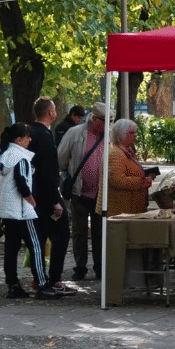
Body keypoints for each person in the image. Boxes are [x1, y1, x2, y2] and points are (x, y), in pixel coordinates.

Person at [0, 122, 62, 300]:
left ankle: (12, 283)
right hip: (23, 211)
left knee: (11, 248)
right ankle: (42, 283)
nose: (30, 140)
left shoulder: (3, 156)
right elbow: (23, 185)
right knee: (36, 245)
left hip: (7, 210)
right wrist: (33, 204)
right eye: (27, 137)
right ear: (19, 140)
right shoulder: (21, 157)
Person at [28, 98, 76, 295]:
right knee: (61, 234)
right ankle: (54, 278)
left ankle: (39, 278)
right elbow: (48, 170)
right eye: (54, 110)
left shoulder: (29, 132)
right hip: (46, 195)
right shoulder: (45, 136)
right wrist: (56, 199)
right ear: (50, 113)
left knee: (38, 239)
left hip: (33, 194)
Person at [58, 102, 107, 281]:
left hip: (102, 194)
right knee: (79, 232)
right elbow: (61, 159)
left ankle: (100, 267)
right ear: (94, 119)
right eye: (104, 121)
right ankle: (80, 267)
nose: (108, 125)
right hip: (79, 192)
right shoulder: (75, 133)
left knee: (100, 231)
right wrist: (69, 175)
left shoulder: (109, 135)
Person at [103, 119, 154, 215]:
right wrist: (142, 182)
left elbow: (130, 171)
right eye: (131, 132)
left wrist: (146, 176)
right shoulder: (115, 153)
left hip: (130, 208)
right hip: (120, 210)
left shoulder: (126, 150)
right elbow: (117, 180)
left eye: (135, 132)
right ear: (121, 134)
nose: (135, 135)